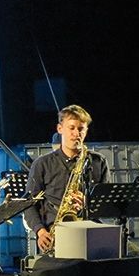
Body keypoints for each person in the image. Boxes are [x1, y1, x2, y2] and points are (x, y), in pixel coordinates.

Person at [24, 105, 110, 253]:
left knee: (132, 253)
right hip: (55, 232)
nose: (76, 133)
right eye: (71, 128)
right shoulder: (42, 163)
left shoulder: (98, 161)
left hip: (91, 229)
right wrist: (40, 231)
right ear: (60, 129)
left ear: (86, 131)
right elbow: (29, 204)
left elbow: (107, 202)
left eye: (81, 129)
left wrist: (87, 202)